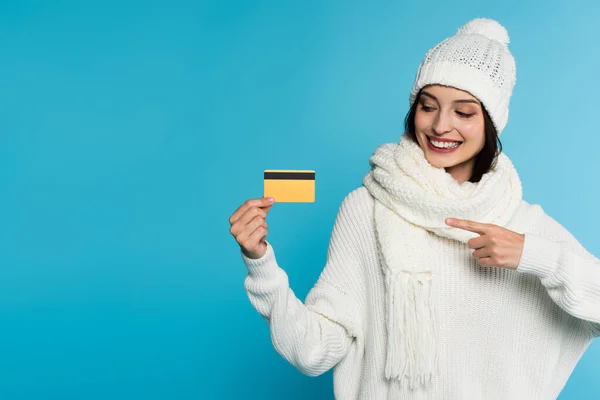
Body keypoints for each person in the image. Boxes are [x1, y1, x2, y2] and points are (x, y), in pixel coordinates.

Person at [228, 18, 600, 399]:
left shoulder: (521, 224)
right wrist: (261, 265)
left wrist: (535, 256)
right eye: (428, 106)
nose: (441, 125)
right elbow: (314, 351)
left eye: (464, 112)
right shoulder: (366, 209)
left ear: (491, 123)